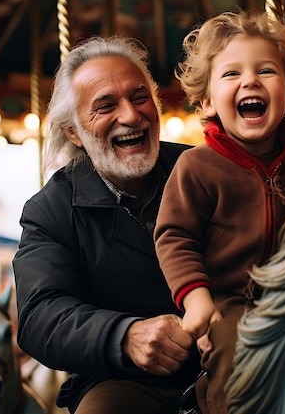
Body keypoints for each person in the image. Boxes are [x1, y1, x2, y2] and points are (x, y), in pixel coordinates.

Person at [12, 36, 200, 414]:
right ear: (74, 132)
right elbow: (39, 315)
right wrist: (123, 336)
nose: (131, 116)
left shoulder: (200, 171)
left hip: (221, 360)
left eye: (140, 96)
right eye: (105, 106)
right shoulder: (49, 210)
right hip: (123, 378)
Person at [154, 11, 285, 414]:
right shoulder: (198, 167)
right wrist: (198, 301)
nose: (250, 80)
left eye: (266, 71)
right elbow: (174, 237)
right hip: (234, 301)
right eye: (231, 74)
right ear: (208, 99)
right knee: (233, 352)